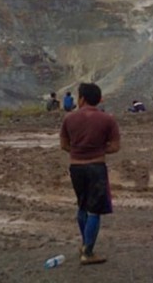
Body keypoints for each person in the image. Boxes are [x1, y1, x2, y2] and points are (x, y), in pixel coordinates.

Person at [60, 82, 121, 265]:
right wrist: (98, 150)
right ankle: (88, 251)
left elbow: (64, 145)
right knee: (95, 210)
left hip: (76, 167)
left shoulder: (69, 119)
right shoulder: (107, 119)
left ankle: (85, 244)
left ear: (82, 98)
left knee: (82, 205)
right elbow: (115, 147)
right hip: (96, 166)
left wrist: (79, 150)